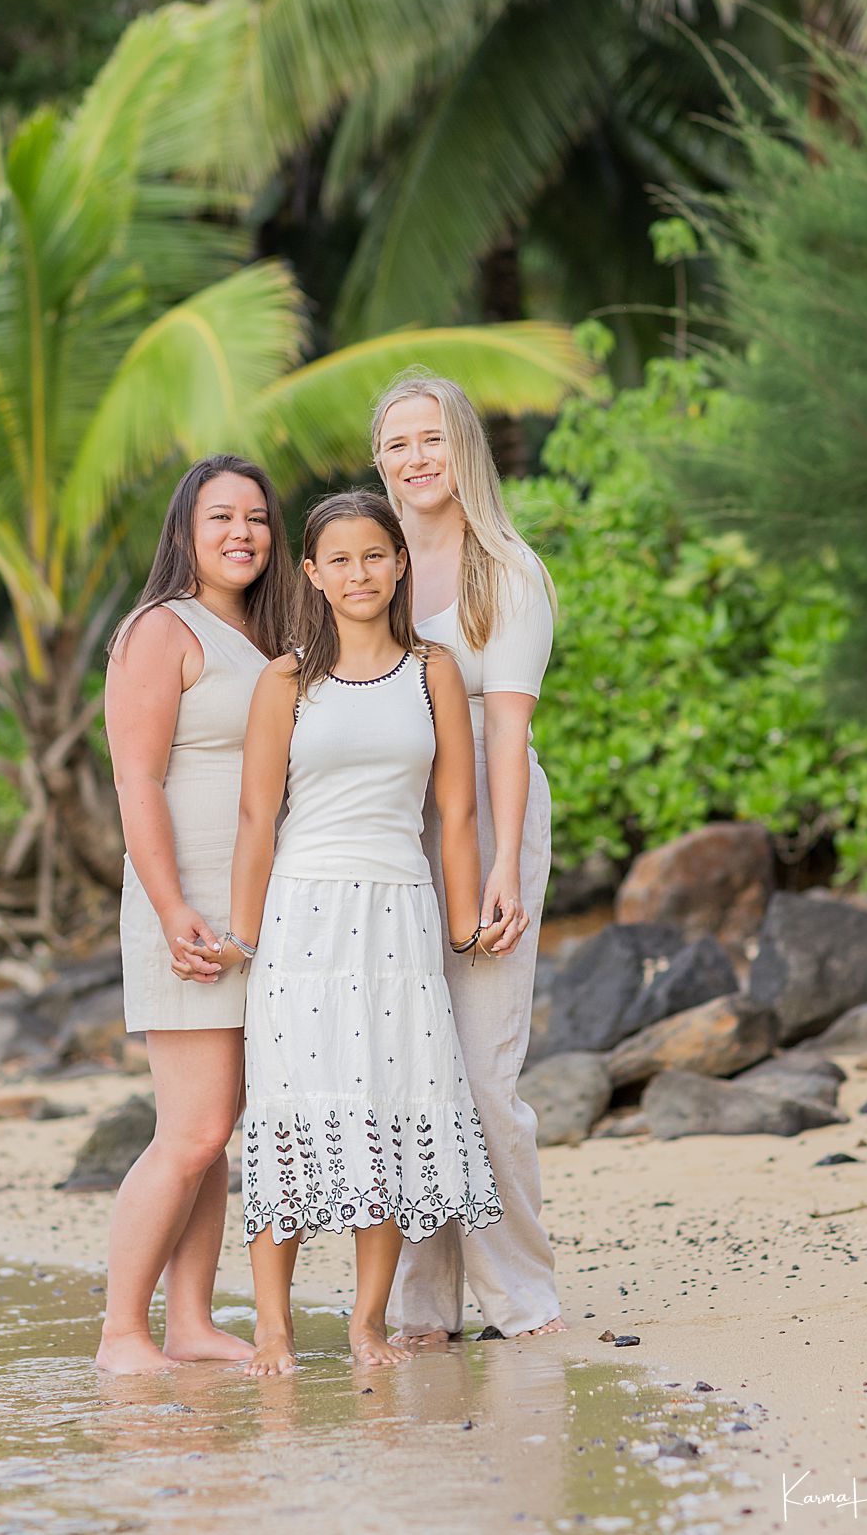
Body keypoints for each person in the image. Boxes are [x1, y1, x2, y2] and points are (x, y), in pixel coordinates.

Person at [218, 489, 502, 1377]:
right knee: (290, 1117)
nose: (359, 573)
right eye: (338, 559)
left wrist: (464, 924)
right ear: (311, 573)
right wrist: (240, 935)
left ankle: (366, 1321)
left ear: (399, 562)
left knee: (381, 1112)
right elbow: (258, 817)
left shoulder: (434, 671)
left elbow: (456, 809)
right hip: (301, 919)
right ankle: (272, 1327)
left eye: (374, 555)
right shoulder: (286, 679)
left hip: (399, 915)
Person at [372, 373, 566, 1344]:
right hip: (391, 832)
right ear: (380, 462)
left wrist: (499, 865)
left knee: (486, 1073)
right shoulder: (369, 571)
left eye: (433, 439)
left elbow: (508, 733)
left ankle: (520, 1292)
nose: (417, 458)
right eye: (399, 442)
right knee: (412, 1070)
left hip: (491, 816)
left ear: (465, 453)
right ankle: (422, 1302)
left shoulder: (508, 570)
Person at [96, 454, 293, 1375]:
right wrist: (172, 905)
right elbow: (136, 778)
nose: (241, 533)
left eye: (256, 517)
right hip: (184, 905)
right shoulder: (158, 630)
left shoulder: (262, 633)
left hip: (252, 909)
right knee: (193, 1128)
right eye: (220, 517)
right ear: (185, 530)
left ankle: (190, 1321)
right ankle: (121, 1332)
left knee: (218, 1130)